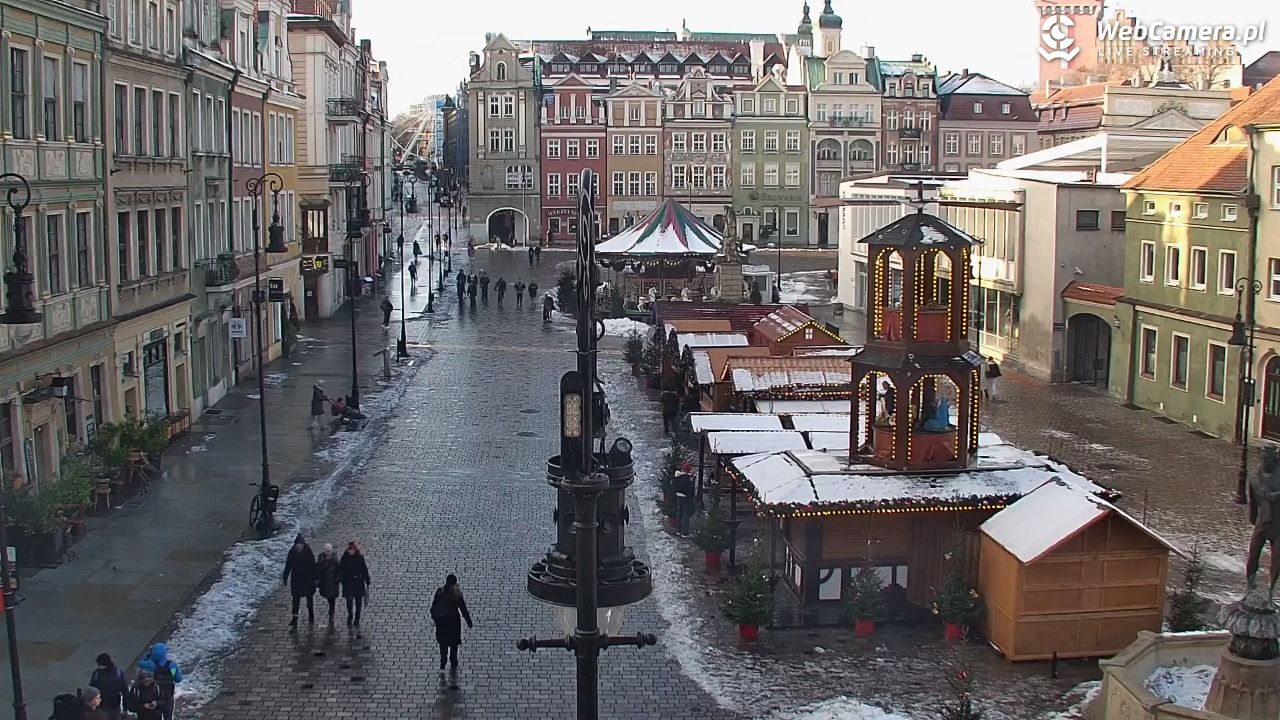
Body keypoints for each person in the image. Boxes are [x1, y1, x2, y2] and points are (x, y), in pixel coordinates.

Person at [430, 574, 473, 673]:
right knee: (454, 645)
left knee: (443, 644)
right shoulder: (457, 594)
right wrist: (469, 621)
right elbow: (463, 608)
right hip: (453, 623)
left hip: (442, 623)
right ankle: (453, 662)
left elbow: (434, 606)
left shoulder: (440, 592)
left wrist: (435, 618)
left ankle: (443, 661)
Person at [134, 644, 181, 720]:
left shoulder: (151, 665)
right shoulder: (172, 665)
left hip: (155, 697)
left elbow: (139, 663)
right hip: (168, 696)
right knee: (168, 716)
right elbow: (178, 679)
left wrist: (148, 655)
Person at [283, 534, 317, 627]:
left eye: (300, 545)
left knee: (309, 598)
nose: (299, 547)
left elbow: (313, 565)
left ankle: (311, 614)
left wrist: (315, 578)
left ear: (303, 545)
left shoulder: (308, 551)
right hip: (296, 579)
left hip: (307, 579)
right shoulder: (292, 552)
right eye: (297, 545)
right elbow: (288, 565)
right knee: (295, 599)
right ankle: (294, 619)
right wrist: (285, 577)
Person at [339, 541, 371, 627]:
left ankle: (357, 618)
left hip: (358, 583)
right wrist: (342, 579)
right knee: (349, 601)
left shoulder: (360, 558)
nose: (350, 551)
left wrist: (367, 581)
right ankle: (350, 615)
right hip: (348, 583)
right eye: (349, 550)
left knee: (358, 601)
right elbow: (341, 569)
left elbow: (364, 570)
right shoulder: (345, 557)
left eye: (351, 550)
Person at [89, 654, 127, 720]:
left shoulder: (96, 674)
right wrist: (125, 708)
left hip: (103, 708)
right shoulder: (118, 673)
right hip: (113, 706)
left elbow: (91, 691)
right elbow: (125, 691)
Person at [316, 542, 342, 626]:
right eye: (326, 551)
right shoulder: (321, 559)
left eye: (329, 551)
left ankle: (331, 614)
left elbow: (340, 571)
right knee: (328, 598)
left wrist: (337, 579)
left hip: (333, 584)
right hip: (324, 584)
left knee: (332, 600)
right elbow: (318, 570)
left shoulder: (335, 560)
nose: (328, 553)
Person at [673, 465, 697, 536]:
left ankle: (678, 530)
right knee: (685, 514)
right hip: (686, 497)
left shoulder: (678, 476)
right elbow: (690, 488)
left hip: (678, 495)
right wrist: (692, 481)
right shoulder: (687, 478)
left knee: (679, 513)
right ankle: (685, 532)